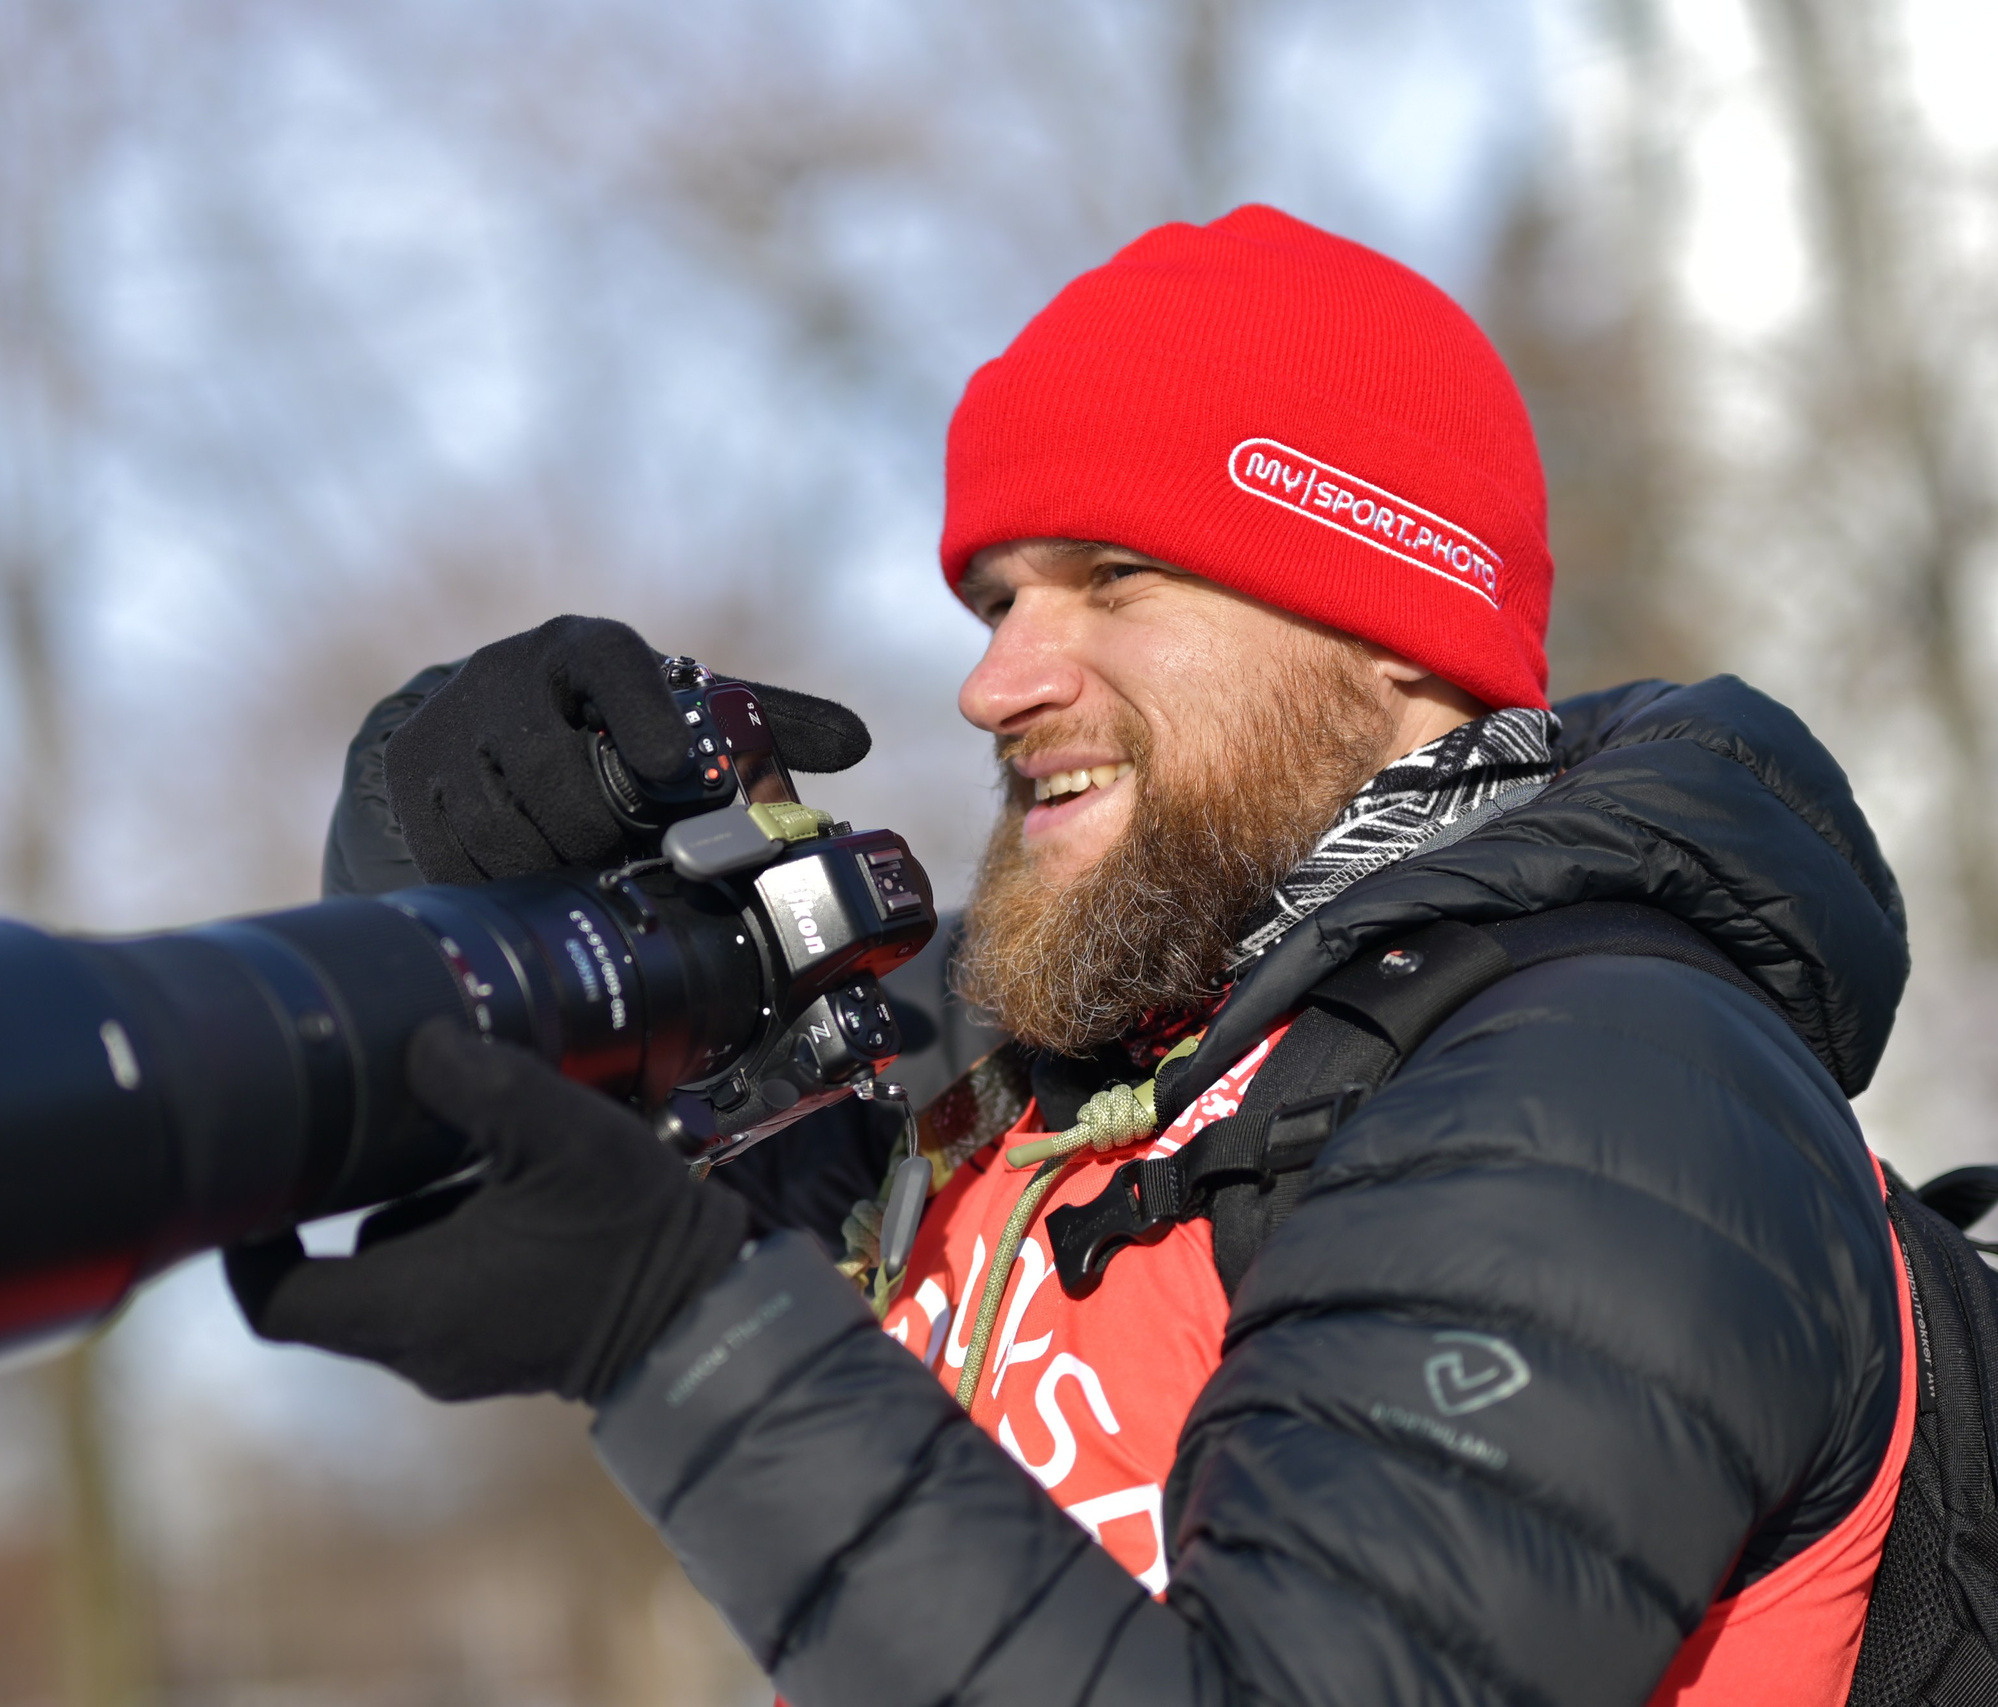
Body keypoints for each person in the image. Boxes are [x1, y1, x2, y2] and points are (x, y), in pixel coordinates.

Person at [229, 206, 1913, 1706]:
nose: (998, 681)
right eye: (998, 601)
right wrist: (442, 818)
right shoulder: (1015, 1070)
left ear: (1396, 635)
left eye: (1115, 579)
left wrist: (684, 1341)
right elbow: (455, 1106)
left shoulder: (1618, 1098)